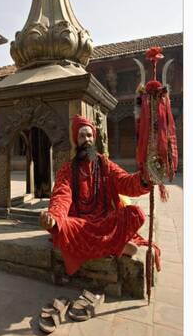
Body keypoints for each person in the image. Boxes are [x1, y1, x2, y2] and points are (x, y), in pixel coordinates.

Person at [40, 114, 159, 277]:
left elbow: (125, 182)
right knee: (62, 226)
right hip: (81, 223)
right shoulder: (67, 170)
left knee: (136, 213)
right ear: (76, 139)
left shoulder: (105, 164)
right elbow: (62, 195)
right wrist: (53, 216)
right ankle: (117, 245)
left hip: (105, 221)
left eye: (89, 135)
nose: (86, 139)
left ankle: (110, 244)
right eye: (82, 135)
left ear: (94, 138)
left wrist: (144, 178)